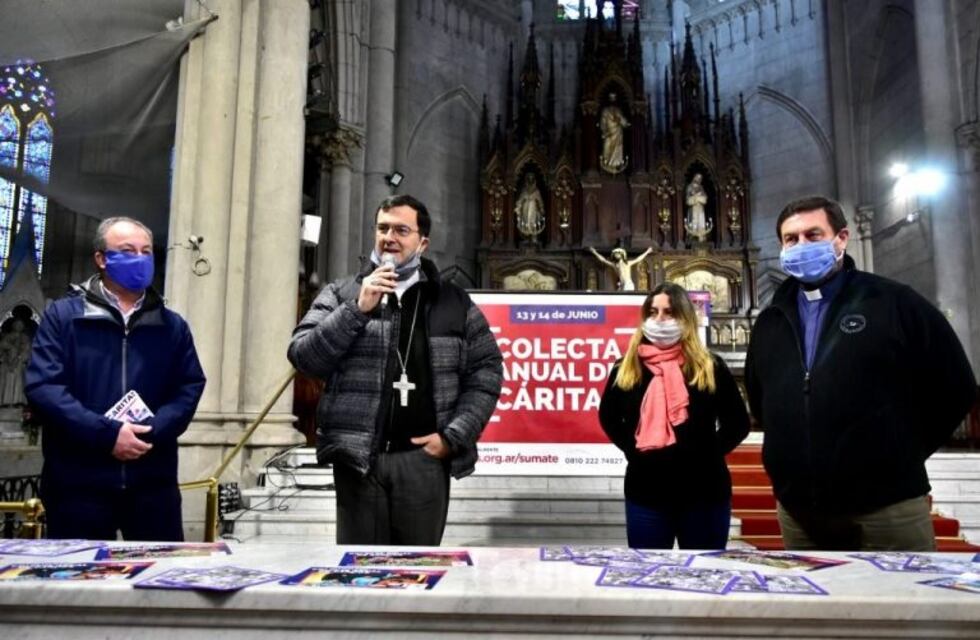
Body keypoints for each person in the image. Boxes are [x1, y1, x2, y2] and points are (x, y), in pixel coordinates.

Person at [745, 195, 977, 551]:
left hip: (887, 507)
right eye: (791, 239)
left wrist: (900, 454)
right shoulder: (769, 321)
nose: (801, 245)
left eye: (813, 235)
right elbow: (763, 401)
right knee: (812, 607)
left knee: (904, 605)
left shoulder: (893, 302)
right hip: (800, 512)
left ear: (841, 238)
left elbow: (956, 384)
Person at [288, 194, 503, 545]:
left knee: (419, 573)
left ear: (423, 242)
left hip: (424, 461)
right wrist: (357, 310)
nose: (390, 237)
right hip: (360, 462)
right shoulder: (341, 293)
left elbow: (487, 371)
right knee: (360, 575)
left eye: (402, 230)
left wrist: (454, 436)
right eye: (383, 228)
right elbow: (304, 357)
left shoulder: (452, 301)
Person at [25, 217, 206, 541]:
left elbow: (189, 386)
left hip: (152, 484)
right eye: (128, 251)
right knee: (78, 584)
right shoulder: (65, 317)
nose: (140, 259)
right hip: (78, 484)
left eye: (146, 252)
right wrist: (107, 435)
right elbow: (44, 387)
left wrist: (151, 430)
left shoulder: (172, 325)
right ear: (102, 259)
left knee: (159, 582)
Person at [599, 282, 749, 549]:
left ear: (685, 317)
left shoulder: (710, 366)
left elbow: (737, 423)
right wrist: (634, 450)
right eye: (653, 312)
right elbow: (608, 417)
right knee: (649, 579)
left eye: (669, 312)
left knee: (704, 577)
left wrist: (706, 455)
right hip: (646, 492)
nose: (659, 320)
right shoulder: (626, 368)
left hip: (704, 492)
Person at [589, 246, 653, 291]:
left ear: (622, 255)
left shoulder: (627, 264)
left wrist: (647, 251)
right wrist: (594, 252)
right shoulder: (615, 265)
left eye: (617, 254)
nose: (616, 255)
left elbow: (638, 259)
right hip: (621, 285)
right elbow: (603, 260)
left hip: (628, 284)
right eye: (615, 254)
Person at [599, 94, 629, 174]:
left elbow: (624, 123)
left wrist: (619, 119)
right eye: (611, 98)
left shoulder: (618, 111)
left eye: (614, 98)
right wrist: (604, 131)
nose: (612, 100)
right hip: (608, 134)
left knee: (617, 149)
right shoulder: (605, 111)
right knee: (607, 147)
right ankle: (607, 163)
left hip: (617, 133)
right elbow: (602, 123)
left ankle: (616, 164)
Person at [514, 173, 546, 238]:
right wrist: (518, 207)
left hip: (534, 208)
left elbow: (540, 201)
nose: (530, 180)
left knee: (533, 222)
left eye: (532, 178)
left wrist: (541, 208)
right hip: (525, 207)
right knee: (525, 221)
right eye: (529, 178)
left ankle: (534, 236)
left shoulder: (536, 191)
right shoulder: (524, 190)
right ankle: (525, 236)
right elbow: (520, 199)